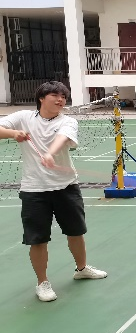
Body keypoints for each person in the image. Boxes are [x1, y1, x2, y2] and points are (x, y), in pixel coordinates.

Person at [0, 81, 107, 302]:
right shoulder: (23, 117)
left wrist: (50, 153)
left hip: (66, 186)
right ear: (41, 98)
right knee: (37, 239)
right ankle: (42, 283)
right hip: (34, 190)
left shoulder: (68, 121)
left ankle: (82, 269)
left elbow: (62, 138)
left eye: (63, 97)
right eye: (55, 95)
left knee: (76, 231)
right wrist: (13, 133)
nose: (60, 100)